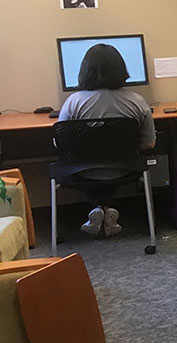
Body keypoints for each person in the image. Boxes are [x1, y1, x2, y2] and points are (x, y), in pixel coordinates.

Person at [58, 43, 156, 238]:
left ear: (84, 71)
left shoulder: (74, 102)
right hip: (125, 169)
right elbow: (149, 144)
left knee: (86, 169)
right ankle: (104, 209)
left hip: (82, 171)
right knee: (110, 168)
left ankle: (98, 208)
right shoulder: (138, 101)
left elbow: (60, 144)